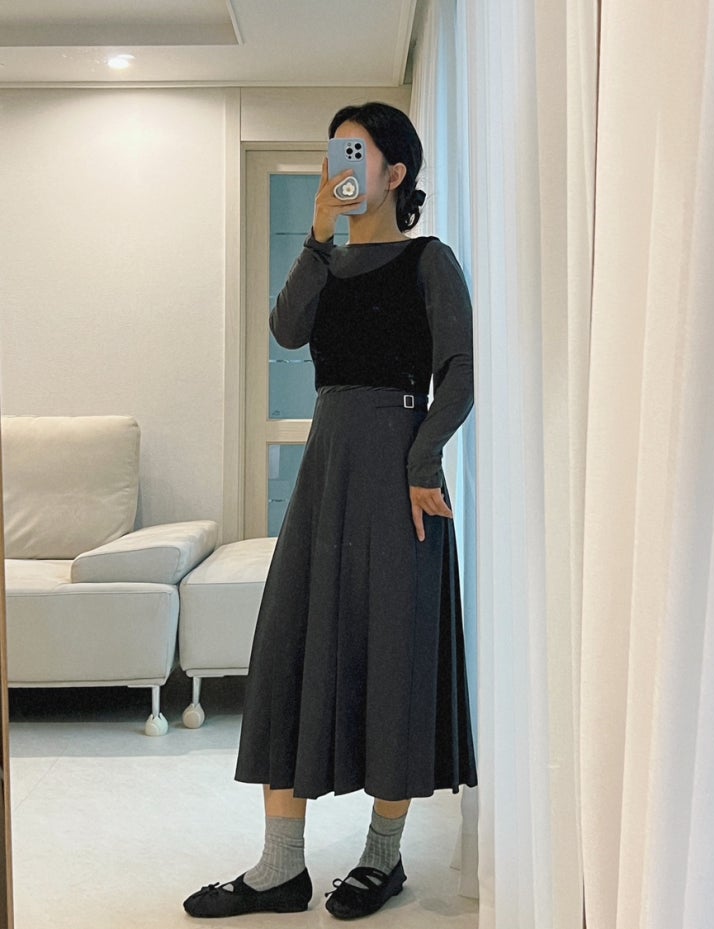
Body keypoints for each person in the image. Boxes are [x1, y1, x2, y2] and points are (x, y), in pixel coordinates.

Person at [184, 101, 477, 921]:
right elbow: (285, 330)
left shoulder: (429, 260)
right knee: (288, 646)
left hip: (397, 474)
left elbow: (458, 372)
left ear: (395, 172)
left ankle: (381, 858)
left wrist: (423, 459)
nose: (337, 166)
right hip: (326, 470)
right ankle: (280, 867)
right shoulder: (327, 260)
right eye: (331, 153)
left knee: (394, 653)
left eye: (355, 152)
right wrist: (315, 238)